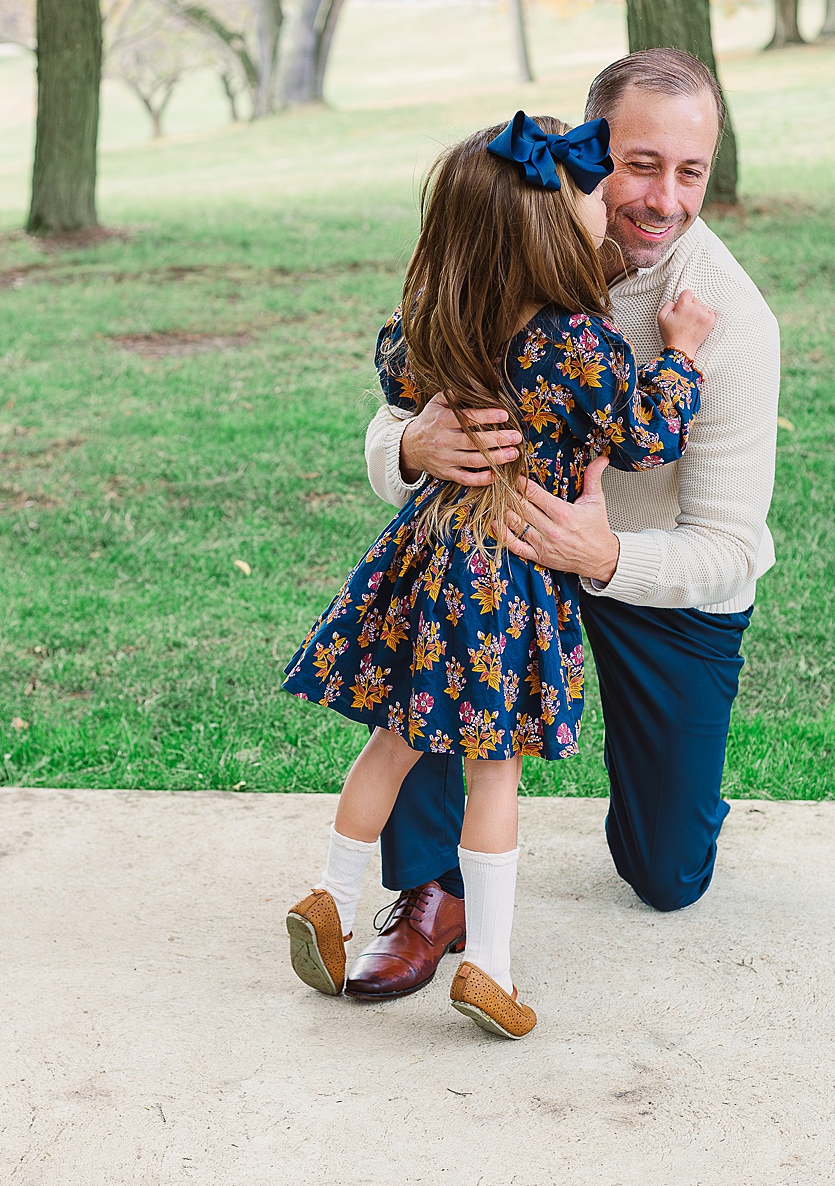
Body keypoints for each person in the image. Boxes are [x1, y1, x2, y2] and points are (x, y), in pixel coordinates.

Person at [351, 48, 781, 1003]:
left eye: (691, 172)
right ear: (588, 151)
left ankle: (671, 808)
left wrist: (605, 554)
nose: (663, 199)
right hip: (496, 555)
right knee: (435, 653)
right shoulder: (509, 228)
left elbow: (731, 546)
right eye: (638, 163)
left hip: (649, 569)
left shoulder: (730, 322)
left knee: (667, 874)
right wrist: (413, 449)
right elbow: (398, 397)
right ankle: (431, 891)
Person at [282, 111, 714, 1039]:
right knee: (493, 778)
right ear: (556, 228)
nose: (606, 207)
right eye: (592, 196)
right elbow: (643, 437)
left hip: (426, 552)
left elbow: (397, 377)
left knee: (391, 745)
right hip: (507, 580)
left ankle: (328, 896)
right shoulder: (583, 347)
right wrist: (679, 355)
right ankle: (489, 966)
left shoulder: (434, 319)